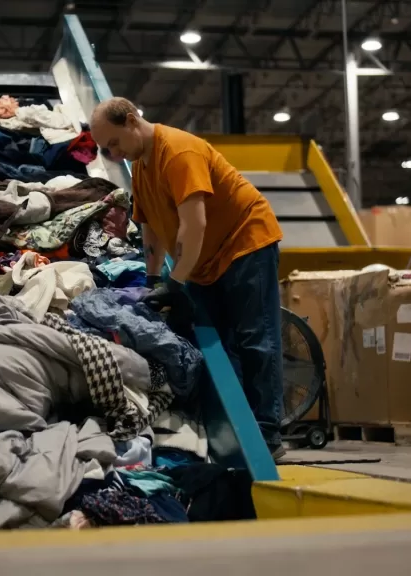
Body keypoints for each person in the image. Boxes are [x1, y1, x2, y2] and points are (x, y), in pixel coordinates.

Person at [89, 97, 286, 460]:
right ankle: (236, 433)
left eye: (114, 143)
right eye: (105, 149)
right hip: (205, 259)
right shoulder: (142, 168)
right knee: (215, 344)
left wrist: (177, 282)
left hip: (245, 243)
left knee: (255, 340)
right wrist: (152, 280)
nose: (113, 153)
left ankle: (268, 434)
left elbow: (194, 226)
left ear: (132, 121)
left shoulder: (178, 153)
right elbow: (150, 229)